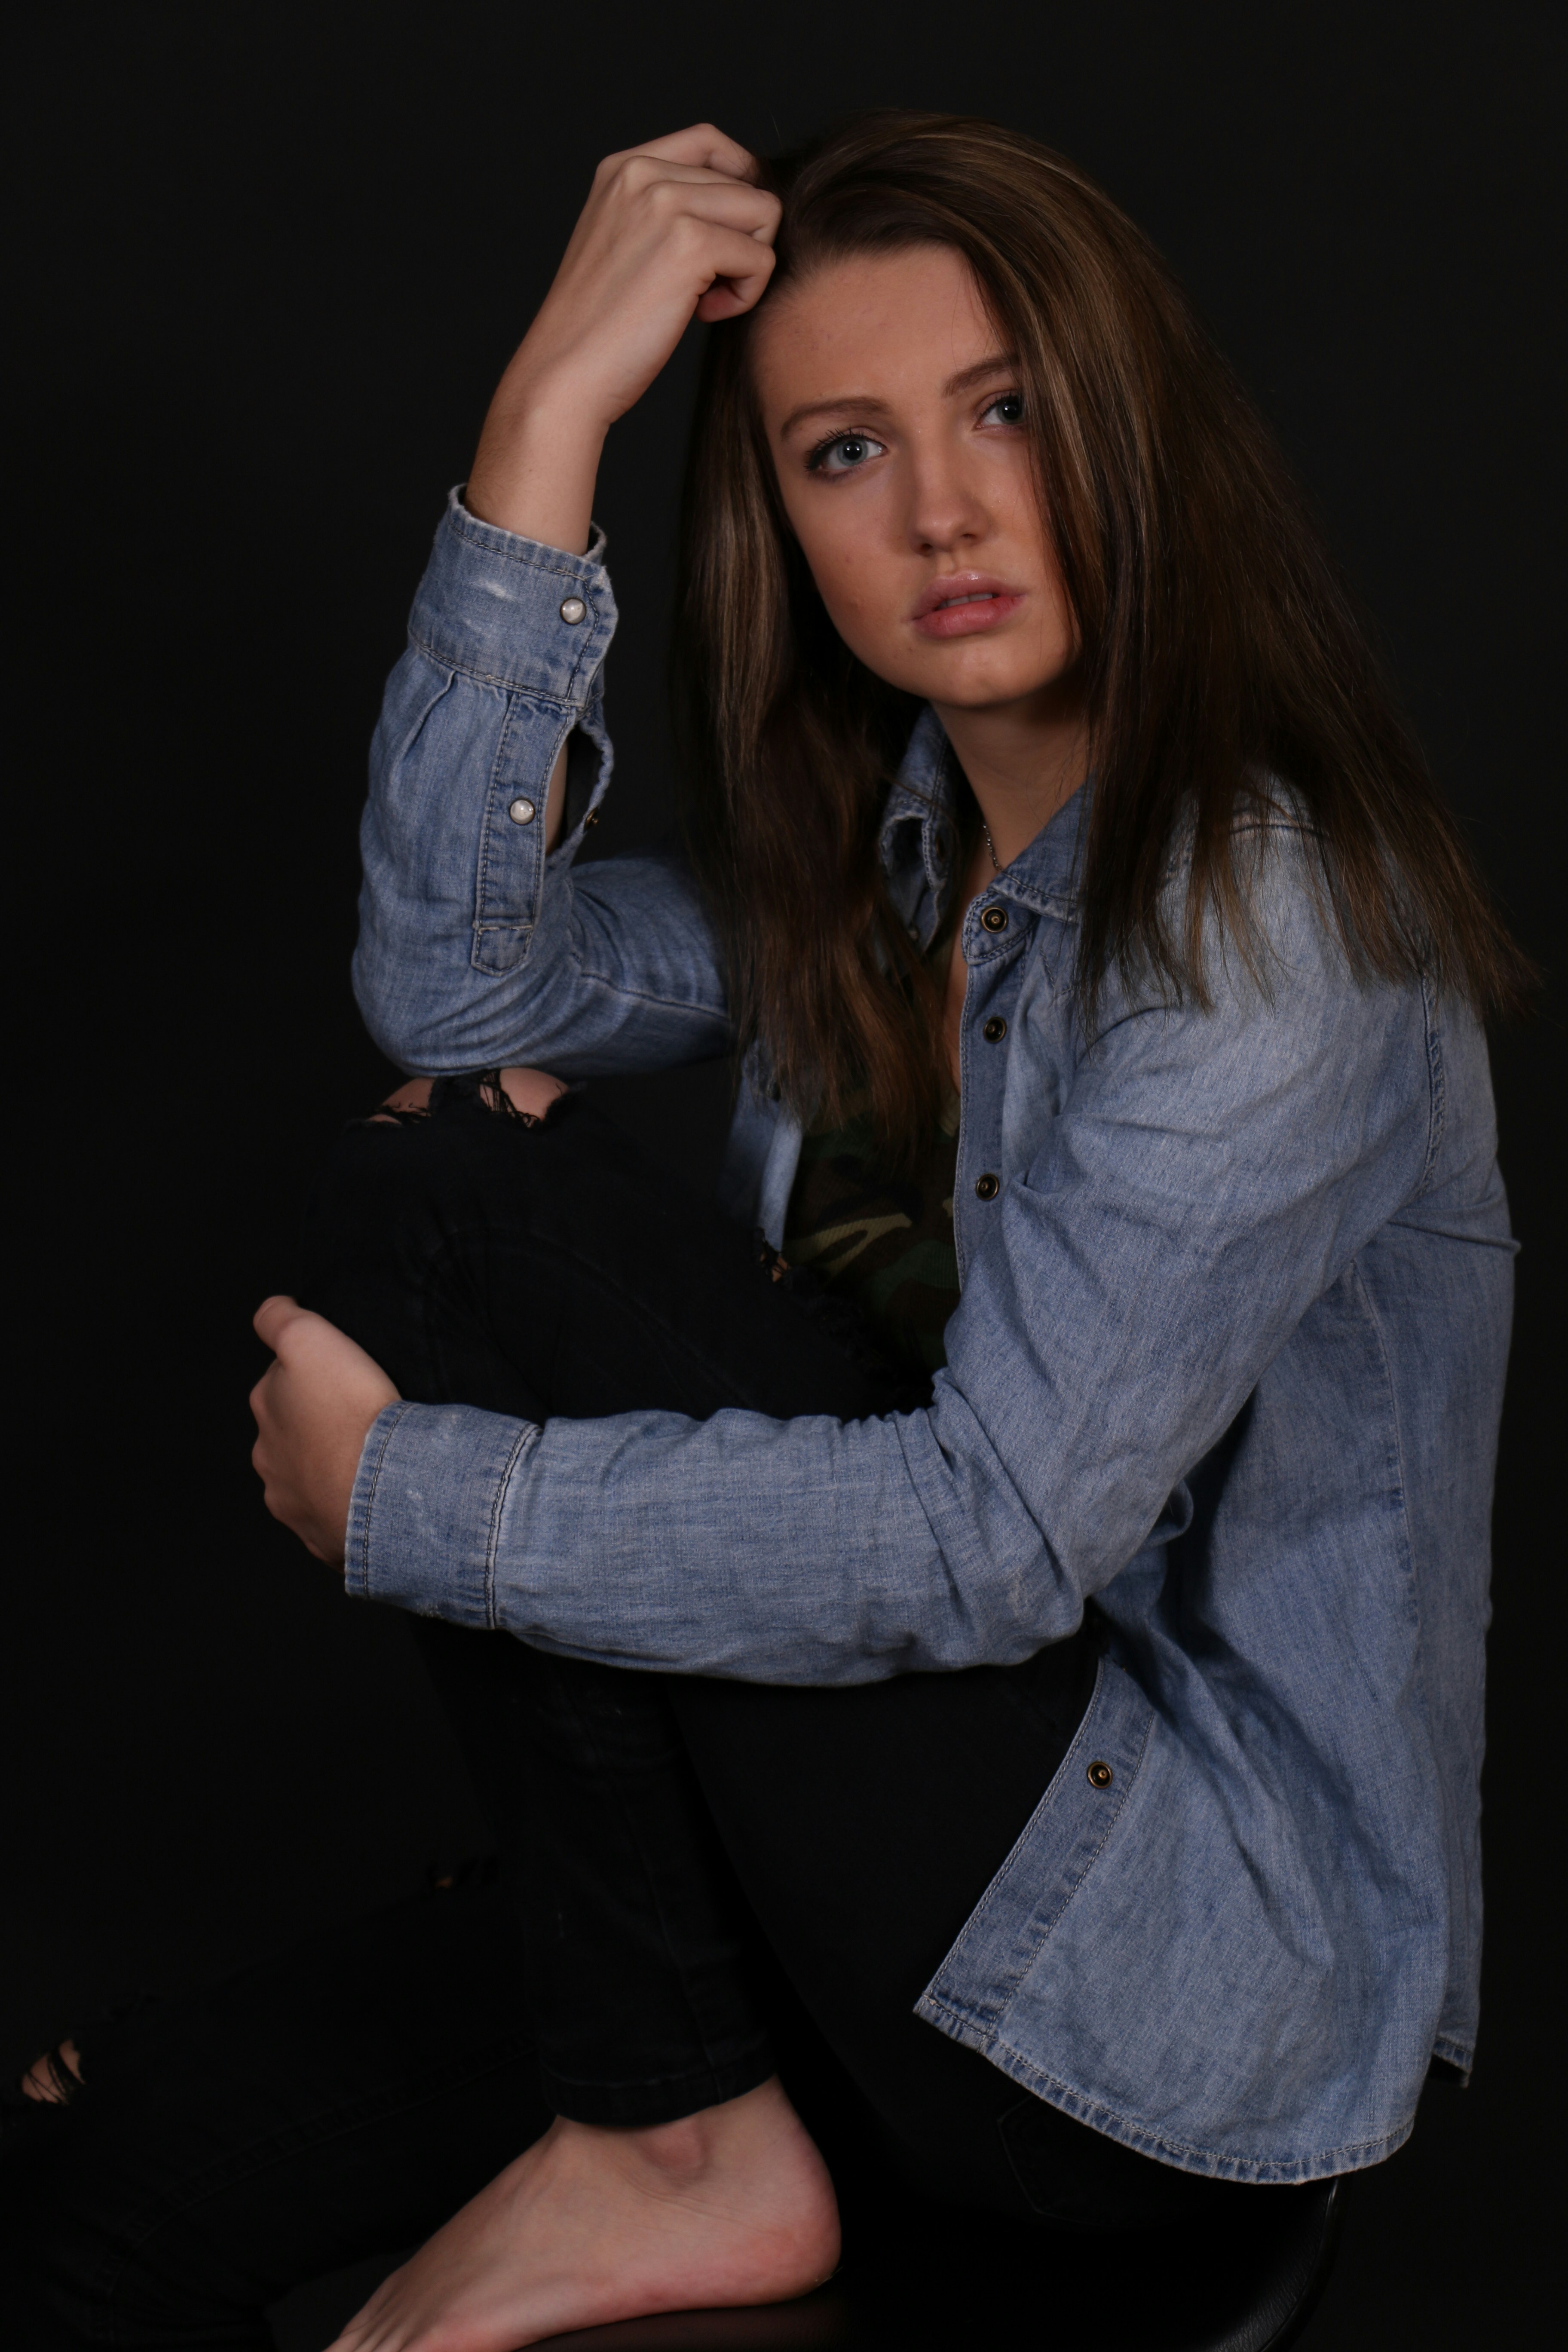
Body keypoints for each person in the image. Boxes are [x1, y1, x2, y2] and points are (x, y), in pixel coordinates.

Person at [12, 113, 1521, 2351]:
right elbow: (452, 981)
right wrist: (551, 417)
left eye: (1006, 408)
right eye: (842, 449)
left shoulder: (1263, 925)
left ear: (1135, 430)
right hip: (825, 1886)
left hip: (1150, 2010)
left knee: (446, 1199)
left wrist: (409, 1502)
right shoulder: (885, 875)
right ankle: (663, 2103)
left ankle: (669, 2142)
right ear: (784, 522)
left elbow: (992, 1541)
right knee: (84, 2199)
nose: (943, 508)